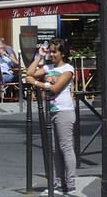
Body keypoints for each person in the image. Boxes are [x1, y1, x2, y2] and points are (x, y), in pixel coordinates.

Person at [26, 40, 77, 196]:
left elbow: (56, 88)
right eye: (50, 51)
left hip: (64, 111)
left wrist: (36, 83)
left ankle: (70, 184)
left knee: (66, 148)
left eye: (54, 52)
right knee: (55, 150)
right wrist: (39, 57)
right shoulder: (48, 67)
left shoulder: (68, 69)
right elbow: (30, 72)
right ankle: (59, 183)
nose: (52, 54)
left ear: (63, 53)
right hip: (52, 111)